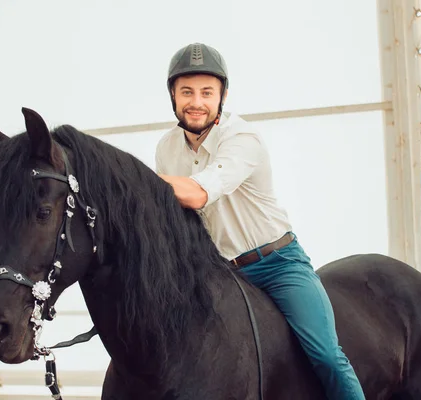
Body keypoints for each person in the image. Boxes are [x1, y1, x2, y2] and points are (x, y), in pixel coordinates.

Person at [155, 42, 365, 400]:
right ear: (173, 96)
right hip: (218, 273)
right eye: (186, 91)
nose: (196, 102)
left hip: (277, 264)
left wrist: (130, 181)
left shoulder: (242, 137)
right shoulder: (166, 149)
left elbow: (198, 193)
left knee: (327, 356)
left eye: (207, 92)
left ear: (222, 96)